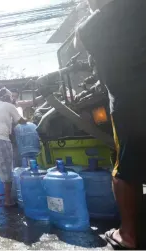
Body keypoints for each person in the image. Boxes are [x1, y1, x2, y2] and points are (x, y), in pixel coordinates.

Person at [74, 0, 146, 249]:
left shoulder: (89, 27)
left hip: (131, 105)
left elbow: (78, 40)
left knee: (125, 169)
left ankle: (128, 235)